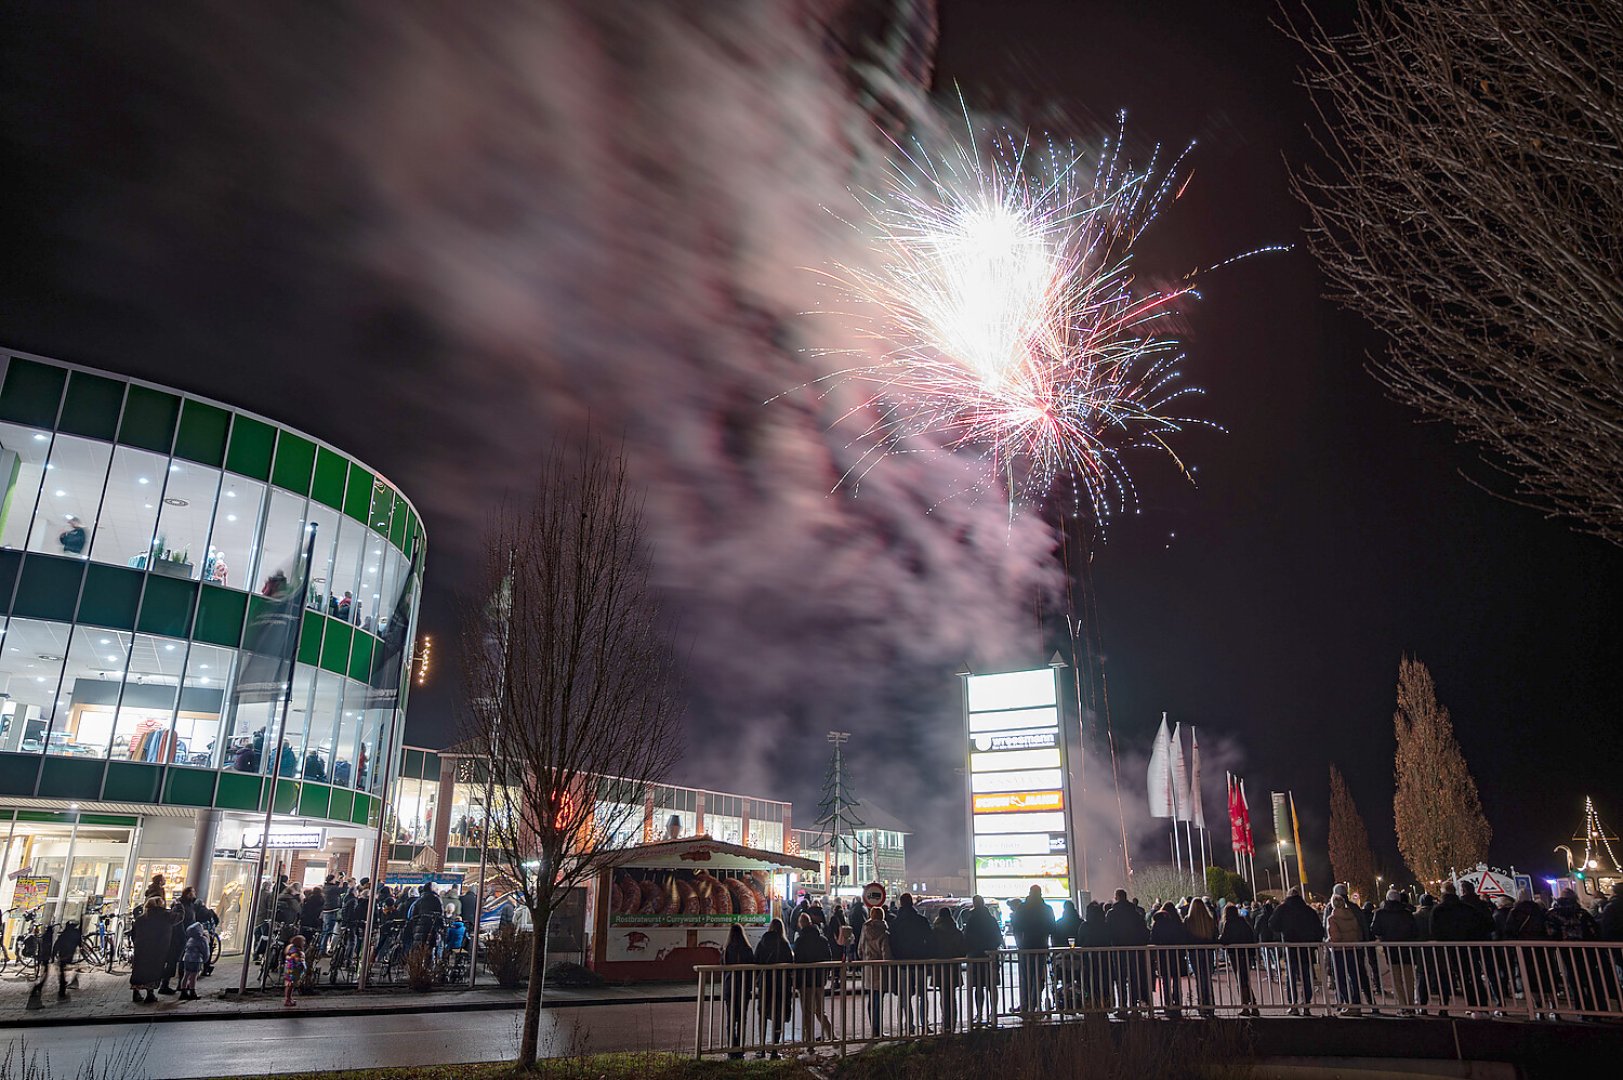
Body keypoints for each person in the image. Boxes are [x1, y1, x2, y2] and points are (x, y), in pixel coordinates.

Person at [1546, 887, 1603, 1014]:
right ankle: (1595, 1007)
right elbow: (1593, 930)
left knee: (1573, 976)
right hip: (1586, 948)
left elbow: (1551, 932)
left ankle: (1580, 1006)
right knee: (1590, 976)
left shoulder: (1554, 914)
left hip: (1567, 949)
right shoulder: (1582, 912)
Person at [1271, 886, 1324, 1014]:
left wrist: (1283, 931)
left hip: (1290, 948)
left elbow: (1272, 924)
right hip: (1306, 949)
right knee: (1306, 976)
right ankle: (1306, 1004)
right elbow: (1319, 929)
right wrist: (1314, 943)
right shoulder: (1308, 910)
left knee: (1291, 976)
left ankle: (1293, 1004)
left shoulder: (1282, 909)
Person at [887, 893, 935, 1033]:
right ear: (912, 903)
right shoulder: (921, 920)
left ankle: (909, 1024)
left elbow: (892, 942)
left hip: (902, 963)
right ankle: (924, 1023)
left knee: (904, 995)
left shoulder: (896, 923)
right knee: (922, 995)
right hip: (919, 962)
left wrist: (896, 957)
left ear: (901, 903)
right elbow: (929, 939)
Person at [1371, 888, 1419, 1013]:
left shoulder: (1380, 913)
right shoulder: (1407, 913)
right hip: (1407, 949)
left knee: (1396, 978)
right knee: (1409, 978)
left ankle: (1402, 1005)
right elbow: (1414, 930)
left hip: (1391, 949)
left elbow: (1375, 929)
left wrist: (1383, 937)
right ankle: (1410, 1004)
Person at [1009, 885, 1055, 1016]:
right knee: (1039, 977)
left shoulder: (1022, 908)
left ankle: (1025, 1005)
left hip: (1026, 947)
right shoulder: (1046, 909)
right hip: (1041, 947)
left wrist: (1019, 943)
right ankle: (1035, 1004)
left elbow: (1016, 926)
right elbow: (1052, 927)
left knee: (1026, 977)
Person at [1105, 887, 1151, 1015]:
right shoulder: (1135, 913)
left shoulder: (1111, 913)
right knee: (1134, 978)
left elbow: (1109, 931)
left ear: (1117, 897)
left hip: (1118, 950)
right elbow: (1143, 930)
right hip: (1134, 949)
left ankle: (1123, 1006)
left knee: (1120, 979)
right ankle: (1134, 1006)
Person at [753, 918, 795, 1058]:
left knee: (763, 1013)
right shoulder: (784, 944)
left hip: (766, 982)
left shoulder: (763, 942)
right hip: (781, 984)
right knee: (779, 1015)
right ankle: (775, 1049)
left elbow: (756, 959)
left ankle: (762, 1048)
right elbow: (790, 962)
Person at [792, 911, 833, 1045]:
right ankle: (831, 1036)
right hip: (819, 980)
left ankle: (809, 1041)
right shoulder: (822, 939)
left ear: (801, 925)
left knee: (807, 1012)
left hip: (805, 981)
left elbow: (797, 961)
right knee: (820, 1011)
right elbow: (829, 958)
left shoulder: (800, 941)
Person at [961, 895, 1002, 1025]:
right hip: (990, 956)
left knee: (978, 987)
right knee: (992, 986)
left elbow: (966, 938)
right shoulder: (991, 919)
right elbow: (998, 937)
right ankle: (993, 1013)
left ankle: (979, 1014)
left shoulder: (972, 920)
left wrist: (968, 951)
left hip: (976, 957)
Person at [1325, 893, 1367, 1014]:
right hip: (1352, 948)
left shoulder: (1332, 919)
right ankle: (1356, 1002)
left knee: (1340, 977)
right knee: (1354, 976)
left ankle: (1348, 1002)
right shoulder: (1351, 916)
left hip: (1339, 950)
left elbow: (1336, 937)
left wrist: (1329, 941)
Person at [1149, 902, 1190, 1018]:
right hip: (1176, 955)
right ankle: (1177, 1002)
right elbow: (1183, 937)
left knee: (1165, 980)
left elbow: (1153, 939)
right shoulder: (1178, 923)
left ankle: (1168, 1002)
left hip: (1163, 955)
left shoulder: (1158, 923)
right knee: (1176, 979)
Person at [858, 905, 894, 1036]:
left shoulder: (865, 929)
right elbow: (886, 954)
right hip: (880, 970)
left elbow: (859, 949)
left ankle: (873, 1027)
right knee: (879, 999)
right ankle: (878, 1029)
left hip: (868, 967)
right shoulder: (884, 932)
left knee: (871, 999)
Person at [1219, 901, 1258, 1015]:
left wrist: (1219, 939)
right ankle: (1253, 1005)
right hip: (1245, 953)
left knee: (1240, 980)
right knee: (1245, 979)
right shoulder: (1243, 922)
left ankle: (1246, 1005)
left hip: (1235, 955)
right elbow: (1251, 935)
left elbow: (1225, 939)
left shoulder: (1228, 924)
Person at [130, 897, 171, 1004]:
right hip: (154, 949)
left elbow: (133, 934)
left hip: (141, 949)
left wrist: (137, 944)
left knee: (138, 971)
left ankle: (136, 992)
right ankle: (150, 993)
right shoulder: (161, 919)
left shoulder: (140, 919)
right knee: (152, 971)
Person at [932, 906, 966, 1032]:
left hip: (940, 967)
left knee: (943, 996)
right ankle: (952, 1022)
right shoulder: (956, 931)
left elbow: (931, 948)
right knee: (952, 996)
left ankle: (945, 1022)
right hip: (953, 967)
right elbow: (963, 950)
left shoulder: (935, 932)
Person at [722, 924, 754, 1058]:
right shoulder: (748, 949)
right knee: (742, 1018)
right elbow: (752, 968)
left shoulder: (727, 949)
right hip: (744, 987)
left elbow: (722, 966)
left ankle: (731, 1047)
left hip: (730, 987)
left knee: (731, 1017)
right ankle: (740, 1047)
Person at [160, 886, 198, 996]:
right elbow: (178, 922)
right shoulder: (180, 905)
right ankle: (165, 984)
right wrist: (183, 935)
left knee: (182, 963)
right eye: (193, 892)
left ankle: (181, 986)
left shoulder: (190, 905)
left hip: (185, 937)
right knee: (173, 961)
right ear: (188, 894)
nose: (195, 894)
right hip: (178, 938)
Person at [1184, 897, 1218, 1017]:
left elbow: (1186, 936)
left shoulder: (1189, 920)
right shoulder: (1209, 919)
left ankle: (1202, 1005)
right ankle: (1211, 1005)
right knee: (1207, 978)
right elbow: (1215, 934)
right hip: (1208, 950)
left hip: (1195, 951)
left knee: (1199, 978)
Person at [178, 920, 209, 1001]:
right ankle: (192, 992)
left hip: (186, 959)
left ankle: (183, 992)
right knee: (193, 976)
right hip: (196, 959)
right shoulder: (202, 939)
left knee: (186, 975)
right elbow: (205, 950)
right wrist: (205, 959)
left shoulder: (190, 939)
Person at [283, 934, 307, 1007]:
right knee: (290, 985)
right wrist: (301, 960)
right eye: (303, 941)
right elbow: (296, 960)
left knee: (290, 985)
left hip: (289, 970)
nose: (304, 943)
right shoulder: (295, 950)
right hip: (293, 971)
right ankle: (287, 1000)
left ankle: (289, 998)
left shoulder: (290, 948)